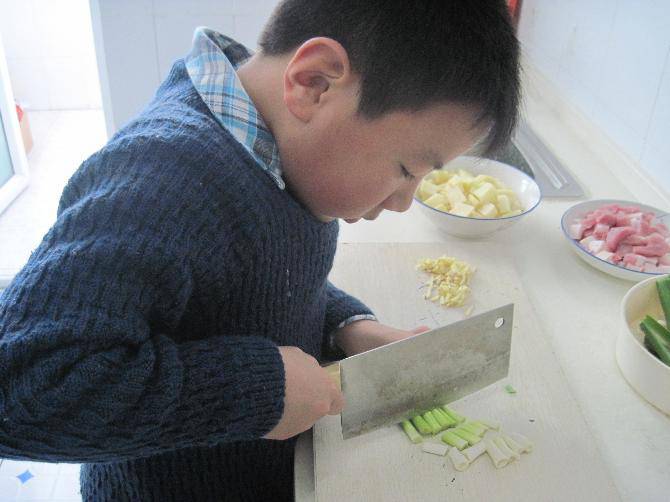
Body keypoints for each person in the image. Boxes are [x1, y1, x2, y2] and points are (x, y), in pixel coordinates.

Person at [0, 0, 520, 500]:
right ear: (314, 83)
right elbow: (21, 390)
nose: (405, 202)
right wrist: (256, 390)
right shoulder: (162, 177)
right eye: (406, 170)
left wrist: (346, 327)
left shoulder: (280, 156)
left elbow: (253, 282)